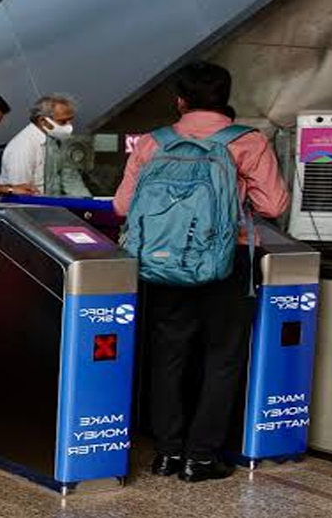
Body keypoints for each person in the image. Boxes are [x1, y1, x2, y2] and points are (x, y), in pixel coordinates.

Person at [114, 62, 289, 483]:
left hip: (161, 261)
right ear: (226, 97)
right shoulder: (247, 141)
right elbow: (273, 205)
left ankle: (166, 454)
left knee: (168, 354)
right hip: (228, 259)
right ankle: (201, 457)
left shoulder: (153, 142)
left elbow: (122, 206)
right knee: (222, 357)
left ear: (180, 101)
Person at [0, 93, 89, 196]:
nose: (69, 126)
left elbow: (71, 180)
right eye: (63, 122)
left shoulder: (58, 140)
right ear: (43, 120)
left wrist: (88, 202)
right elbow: (20, 193)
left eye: (70, 120)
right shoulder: (22, 147)